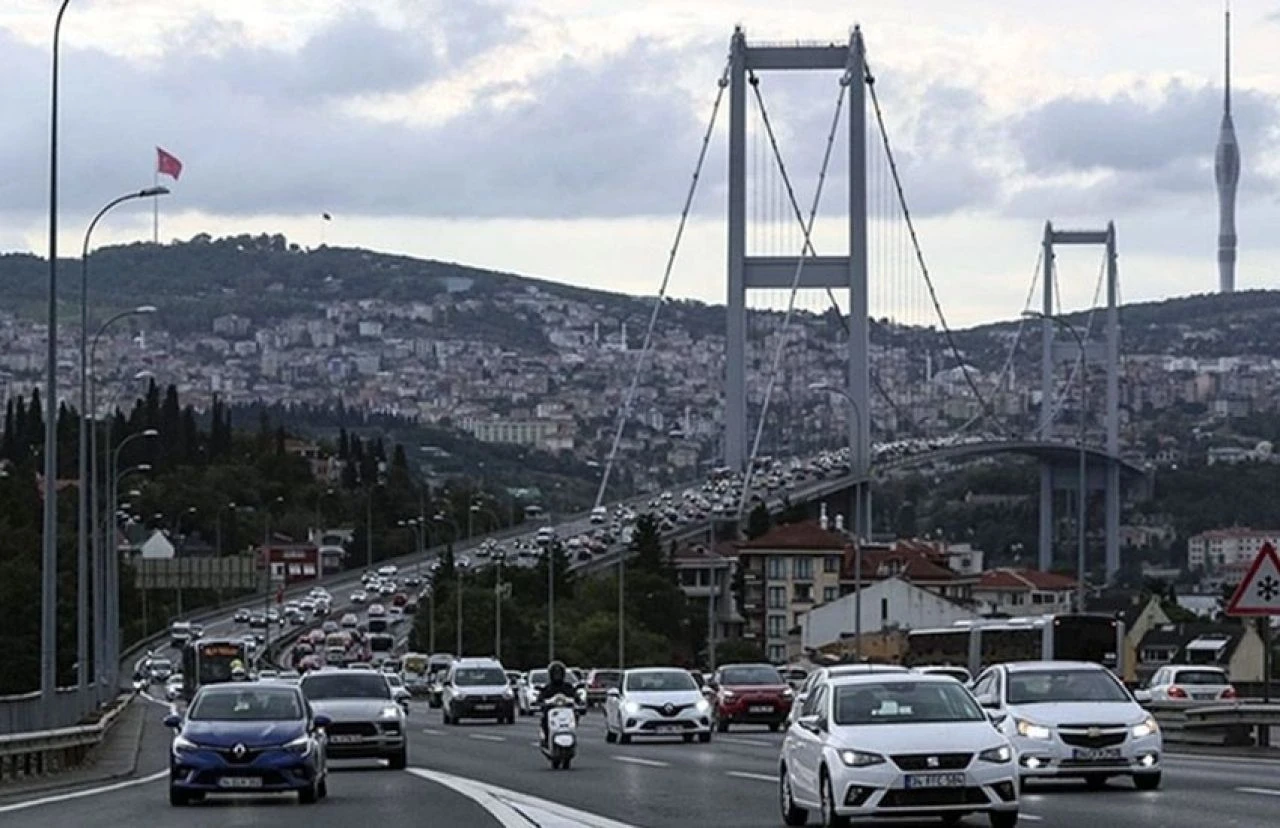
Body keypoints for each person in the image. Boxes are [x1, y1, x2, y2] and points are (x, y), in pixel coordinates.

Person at [537, 661, 577, 746]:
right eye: (555, 674)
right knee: (544, 718)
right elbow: (541, 697)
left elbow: (575, 696)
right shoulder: (548, 688)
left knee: (576, 714)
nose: (557, 676)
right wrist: (541, 702)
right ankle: (547, 738)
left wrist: (577, 701)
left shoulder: (567, 687)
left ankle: (571, 734)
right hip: (553, 713)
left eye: (559, 673)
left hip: (566, 712)